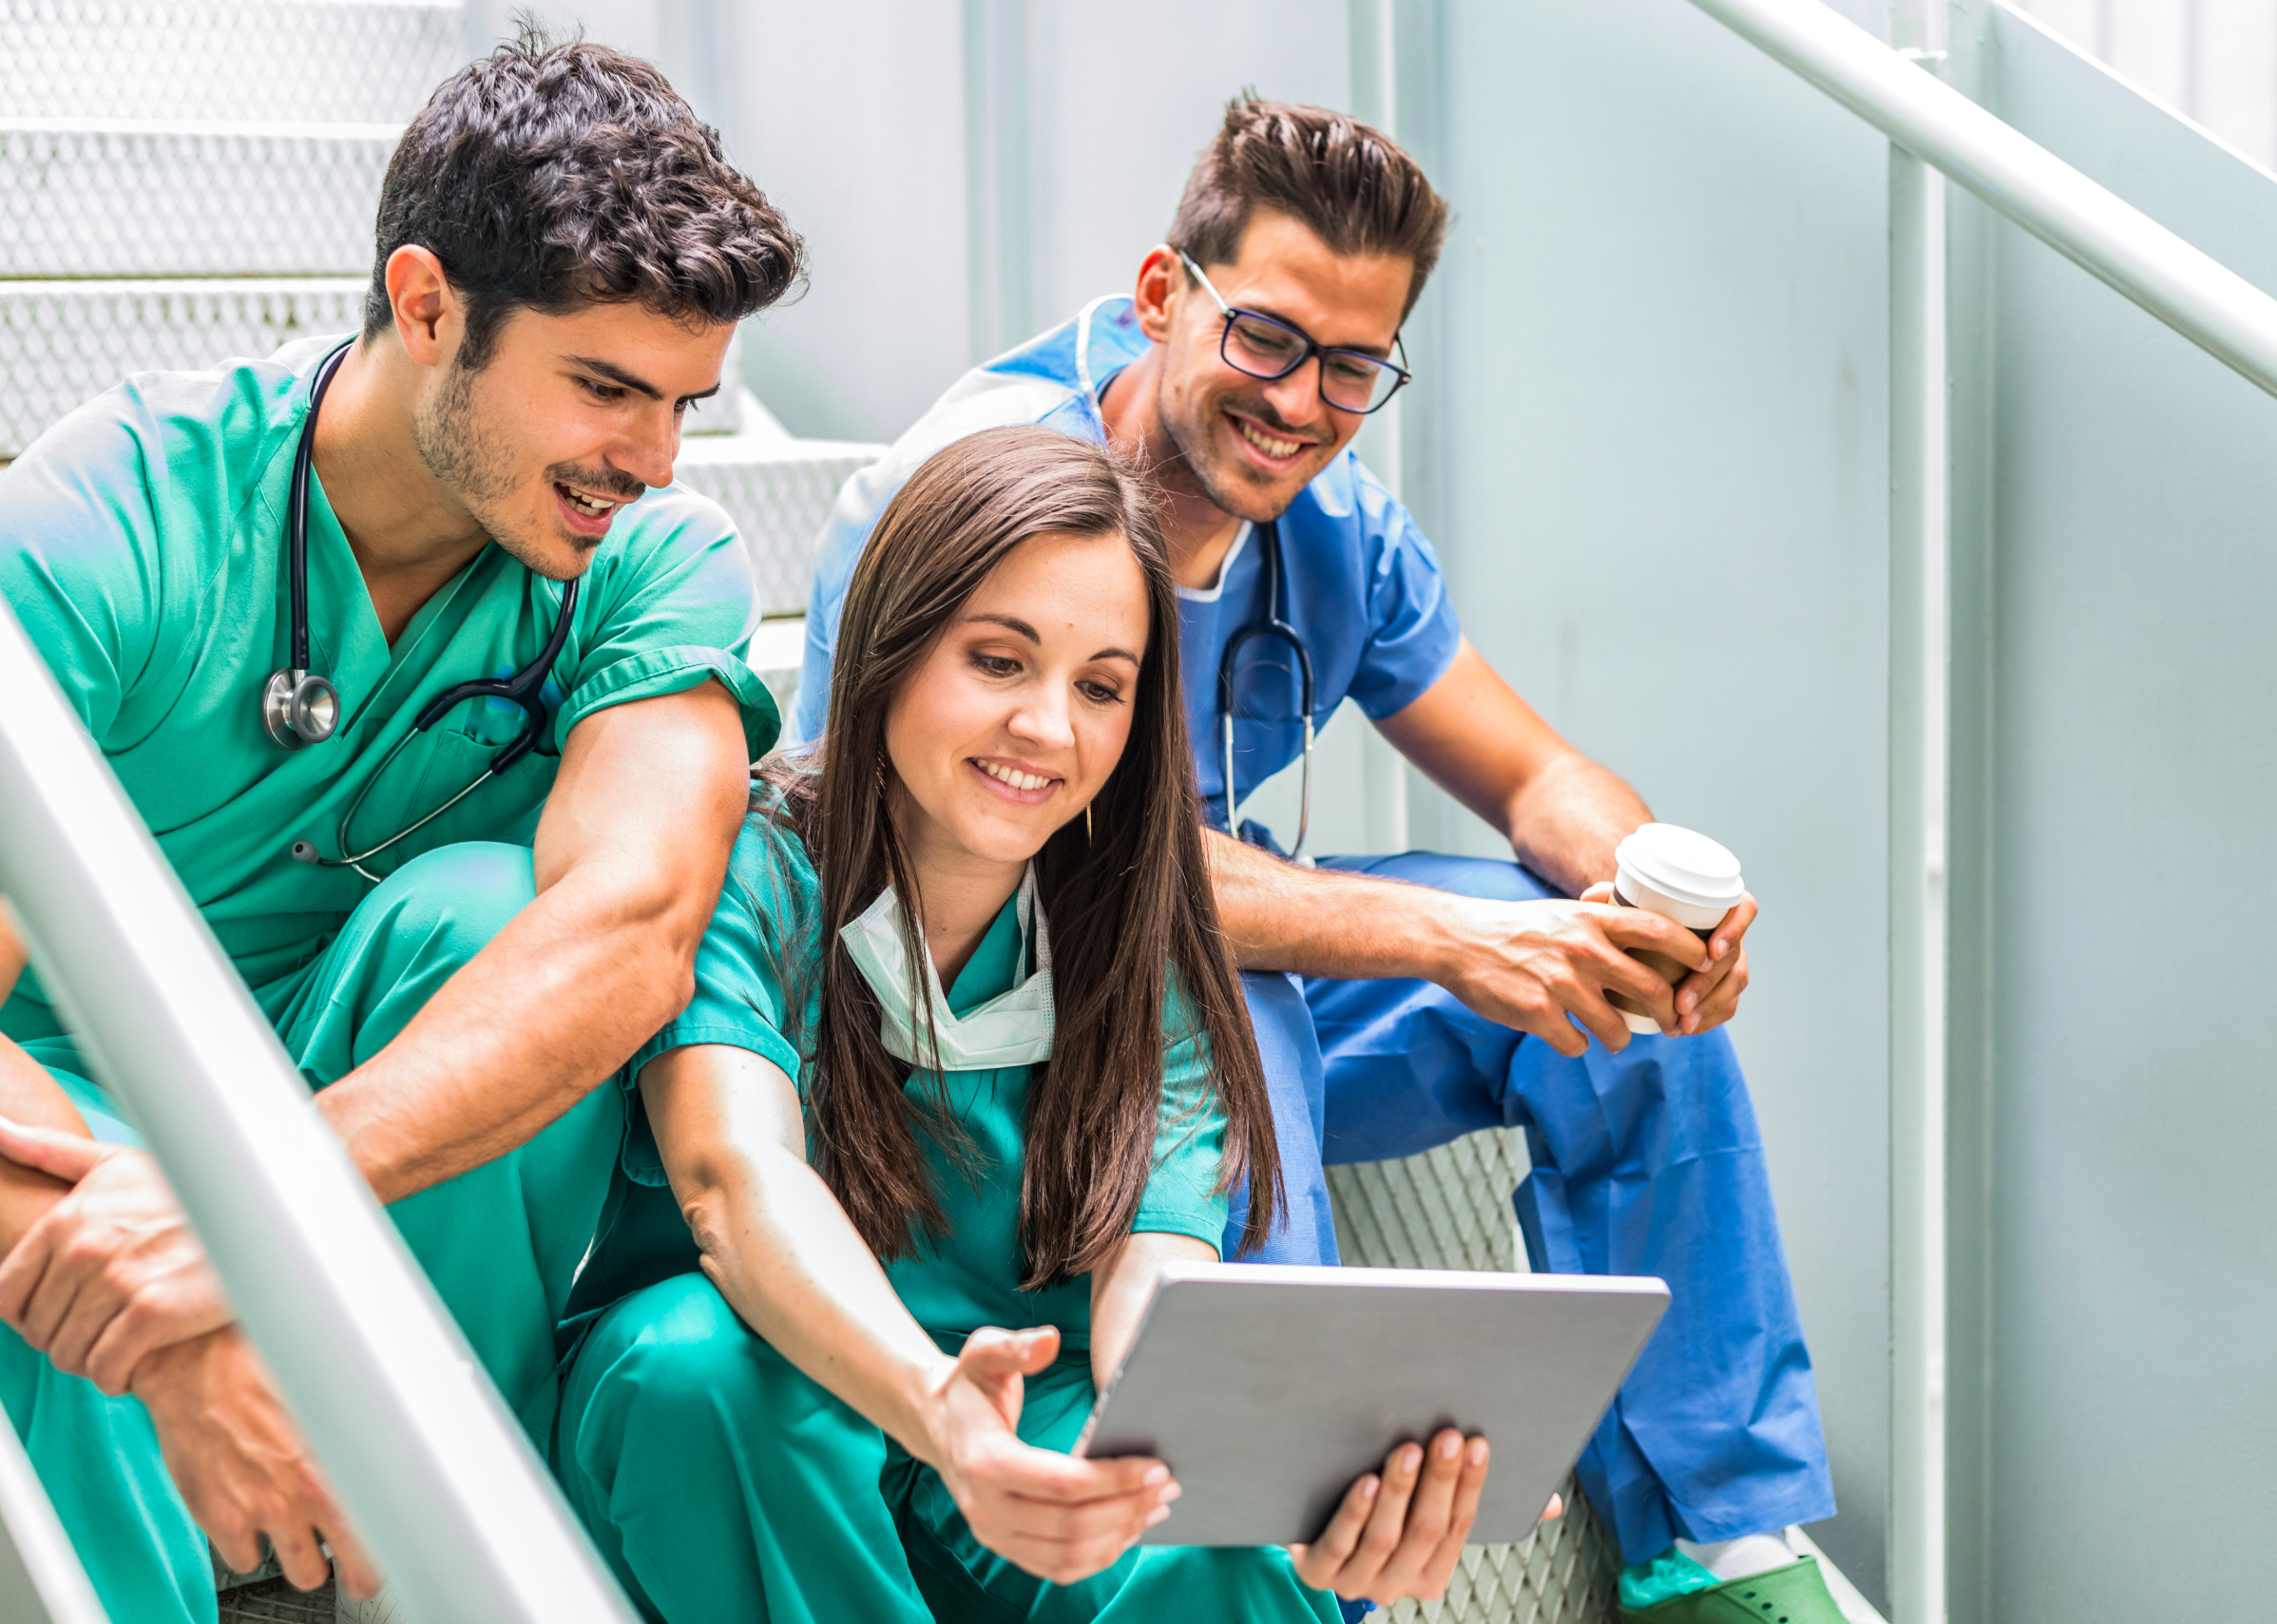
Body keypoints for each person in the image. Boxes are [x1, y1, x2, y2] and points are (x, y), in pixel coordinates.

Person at [790, 99, 1846, 1621]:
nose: (1302, 401)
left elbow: (1537, 772)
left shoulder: (1333, 525)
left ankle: (1715, 1544)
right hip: (996, 1032)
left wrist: (1646, 894)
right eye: (1269, 340)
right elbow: (1013, 855)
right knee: (1256, 993)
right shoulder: (970, 497)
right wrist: (1428, 937)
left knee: (1604, 997)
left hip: (1224, 977)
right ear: (1164, 296)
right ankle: (1296, 1572)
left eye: (1355, 367)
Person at [0, 36, 799, 1621]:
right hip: (79, 1120)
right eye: (606, 387)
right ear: (425, 302)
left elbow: (632, 932)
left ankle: (419, 1550)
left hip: (352, 1136)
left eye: (688, 404)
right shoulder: (117, 515)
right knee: (80, 1249)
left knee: (482, 909)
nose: (648, 460)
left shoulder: (653, 555)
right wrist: (178, 1286)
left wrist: (251, 1206)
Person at [552, 423, 1534, 1624]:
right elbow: (730, 1178)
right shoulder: (742, 869)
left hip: (1022, 1424)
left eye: (1101, 686)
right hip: (769, 1424)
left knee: (1213, 1544)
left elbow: (1152, 1284)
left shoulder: (1136, 939)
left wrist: (1296, 1476)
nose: (1049, 729)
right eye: (998, 660)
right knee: (691, 1363)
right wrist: (935, 1406)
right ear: (892, 646)